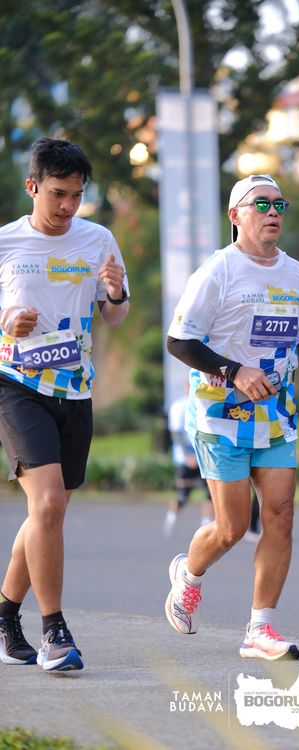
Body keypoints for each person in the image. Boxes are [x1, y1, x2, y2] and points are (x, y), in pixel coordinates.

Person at [165, 173, 299, 661]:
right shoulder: (218, 271)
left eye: (280, 205)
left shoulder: (296, 274)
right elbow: (179, 341)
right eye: (261, 204)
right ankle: (189, 576)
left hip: (276, 413)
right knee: (232, 527)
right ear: (235, 215)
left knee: (280, 515)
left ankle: (260, 629)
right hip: (220, 414)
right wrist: (234, 370)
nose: (273, 213)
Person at [0, 138, 130, 672]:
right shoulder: (5, 243)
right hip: (16, 385)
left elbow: (114, 316)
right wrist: (8, 323)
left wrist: (115, 295)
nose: (68, 206)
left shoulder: (98, 240)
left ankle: (4, 616)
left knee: (46, 514)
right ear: (32, 186)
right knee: (49, 504)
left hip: (75, 390)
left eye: (77, 195)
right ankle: (55, 632)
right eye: (58, 194)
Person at [163, 389, 213, 537]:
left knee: (210, 493)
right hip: (185, 458)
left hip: (204, 456)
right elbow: (176, 433)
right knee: (183, 495)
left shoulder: (205, 401)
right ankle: (171, 518)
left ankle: (206, 524)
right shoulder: (179, 406)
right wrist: (188, 455)